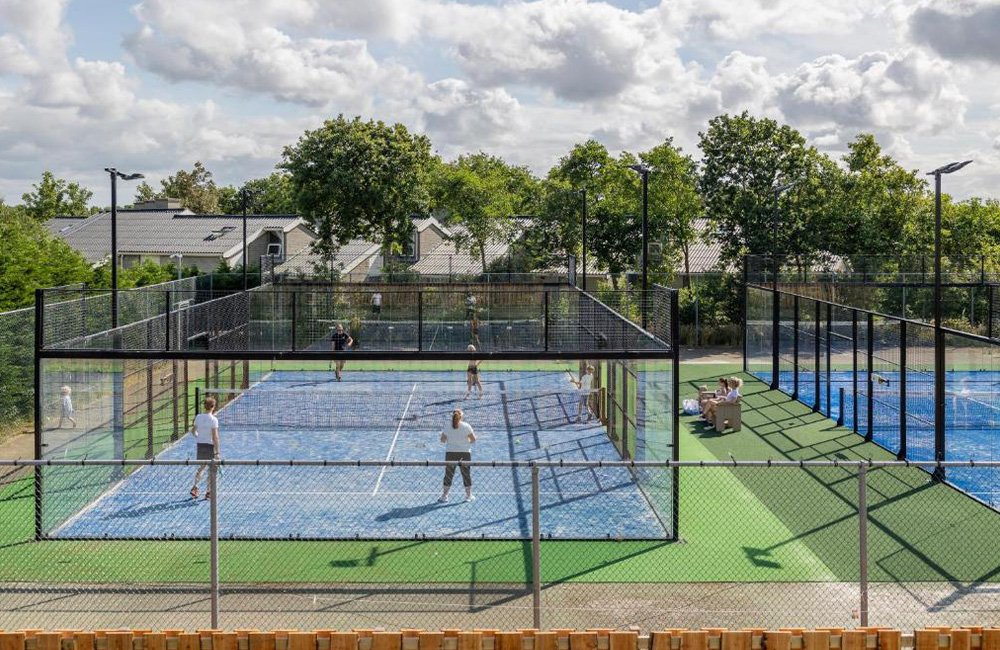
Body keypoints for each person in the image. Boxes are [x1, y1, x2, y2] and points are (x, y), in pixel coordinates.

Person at [438, 408, 476, 503]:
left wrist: (451, 439)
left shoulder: (447, 426)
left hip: (450, 453)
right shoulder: (466, 426)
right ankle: (468, 496)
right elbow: (473, 439)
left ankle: (444, 496)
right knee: (466, 474)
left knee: (448, 475)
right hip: (465, 453)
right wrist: (465, 442)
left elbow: (442, 440)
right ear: (461, 416)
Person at [190, 397, 220, 500]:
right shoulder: (214, 420)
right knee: (211, 470)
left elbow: (193, 431)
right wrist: (217, 453)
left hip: (200, 445)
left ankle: (195, 487)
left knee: (201, 468)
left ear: (204, 406)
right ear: (213, 407)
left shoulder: (198, 417)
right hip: (209, 446)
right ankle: (208, 492)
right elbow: (215, 437)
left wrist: (198, 437)